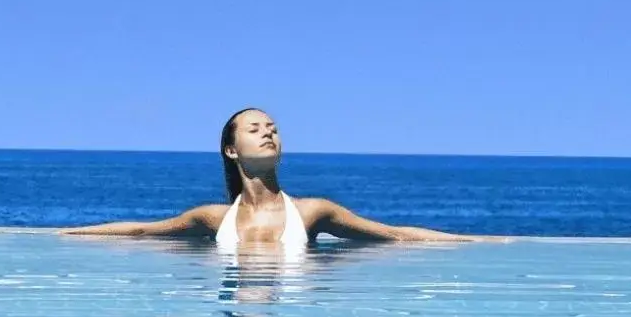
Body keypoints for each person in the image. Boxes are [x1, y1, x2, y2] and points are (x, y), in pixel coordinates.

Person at [62, 107, 492, 246]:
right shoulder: (212, 218)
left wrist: (475, 242)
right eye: (255, 129)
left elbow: (394, 235)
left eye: (273, 129)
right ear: (232, 150)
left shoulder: (312, 212)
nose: (268, 132)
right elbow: (140, 232)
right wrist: (66, 235)